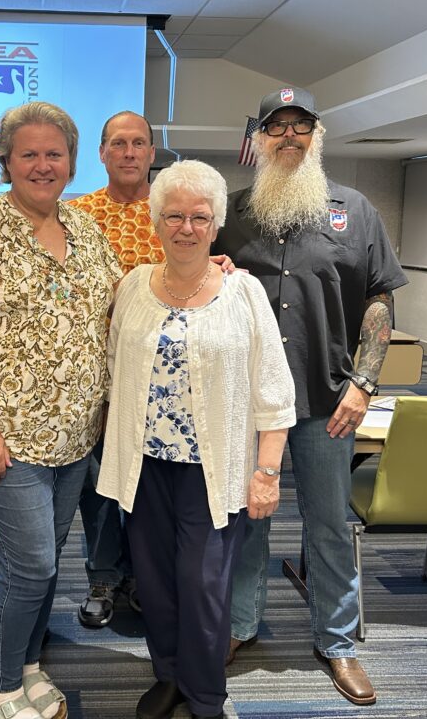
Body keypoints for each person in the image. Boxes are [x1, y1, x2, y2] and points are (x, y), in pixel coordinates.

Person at [0, 101, 121, 719]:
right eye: (28, 154)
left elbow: (128, 301)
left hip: (71, 439)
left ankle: (31, 665)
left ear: (71, 161)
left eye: (54, 154)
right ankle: (1, 689)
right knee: (32, 564)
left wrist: (205, 274)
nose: (42, 165)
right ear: (5, 161)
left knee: (43, 560)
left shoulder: (87, 232)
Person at [213, 87, 408, 706]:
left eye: (301, 126)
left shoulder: (354, 209)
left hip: (328, 402)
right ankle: (241, 624)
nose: (289, 136)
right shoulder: (233, 212)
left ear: (316, 137)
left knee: (329, 524)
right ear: (260, 140)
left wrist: (366, 382)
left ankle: (338, 643)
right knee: (247, 523)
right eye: (277, 127)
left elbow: (380, 298)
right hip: (247, 406)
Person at [97, 159, 295, 719]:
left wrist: (267, 471)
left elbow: (274, 389)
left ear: (216, 225)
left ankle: (206, 694)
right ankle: (169, 675)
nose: (186, 227)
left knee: (204, 586)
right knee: (155, 584)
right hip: (144, 466)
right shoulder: (134, 286)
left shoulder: (244, 292)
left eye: (199, 217)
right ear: (157, 222)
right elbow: (115, 367)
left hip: (216, 470)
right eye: (174, 216)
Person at [68, 110, 163, 627]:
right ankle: (104, 577)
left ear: (152, 153)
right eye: (118, 143)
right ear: (102, 154)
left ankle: (147, 577)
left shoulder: (174, 213)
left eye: (139, 143)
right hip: (94, 379)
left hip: (162, 380)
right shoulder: (74, 215)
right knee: (100, 486)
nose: (129, 152)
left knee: (152, 486)